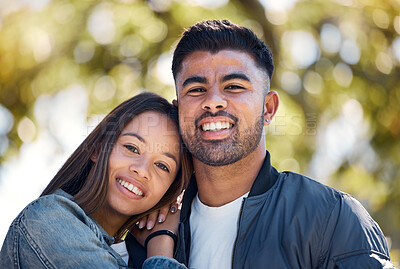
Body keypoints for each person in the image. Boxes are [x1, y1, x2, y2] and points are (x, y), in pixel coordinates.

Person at [130, 20, 394, 268]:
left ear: (268, 108)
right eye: (196, 89)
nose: (213, 101)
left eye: (233, 86)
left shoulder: (331, 218)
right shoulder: (149, 230)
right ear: (178, 112)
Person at [0, 92, 191, 269]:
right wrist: (161, 244)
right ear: (98, 149)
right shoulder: (47, 221)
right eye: (132, 148)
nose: (142, 170)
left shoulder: (133, 255)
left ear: (169, 190)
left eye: (162, 166)